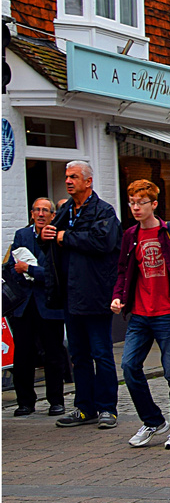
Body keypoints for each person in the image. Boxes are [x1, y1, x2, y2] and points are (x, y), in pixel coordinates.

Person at [110, 180, 170, 450]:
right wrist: (118, 296)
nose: (135, 207)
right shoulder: (130, 235)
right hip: (140, 315)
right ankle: (153, 421)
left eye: (141, 202)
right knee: (129, 367)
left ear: (154, 204)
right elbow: (122, 272)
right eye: (131, 202)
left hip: (168, 314)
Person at [45, 160, 121, 429]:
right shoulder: (65, 210)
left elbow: (104, 242)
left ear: (88, 181)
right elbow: (55, 245)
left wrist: (66, 237)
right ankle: (84, 407)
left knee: (101, 353)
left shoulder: (104, 211)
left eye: (74, 177)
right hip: (70, 295)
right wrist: (49, 236)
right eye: (66, 177)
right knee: (78, 355)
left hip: (95, 293)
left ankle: (107, 409)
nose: (68, 181)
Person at [3, 197, 69, 416]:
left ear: (52, 215)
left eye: (46, 211)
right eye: (37, 210)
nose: (41, 214)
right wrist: (19, 270)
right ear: (32, 213)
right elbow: (12, 267)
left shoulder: (58, 237)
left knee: (53, 354)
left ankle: (56, 401)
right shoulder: (21, 235)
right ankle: (25, 402)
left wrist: (31, 270)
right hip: (24, 305)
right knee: (23, 354)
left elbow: (56, 273)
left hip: (49, 304)